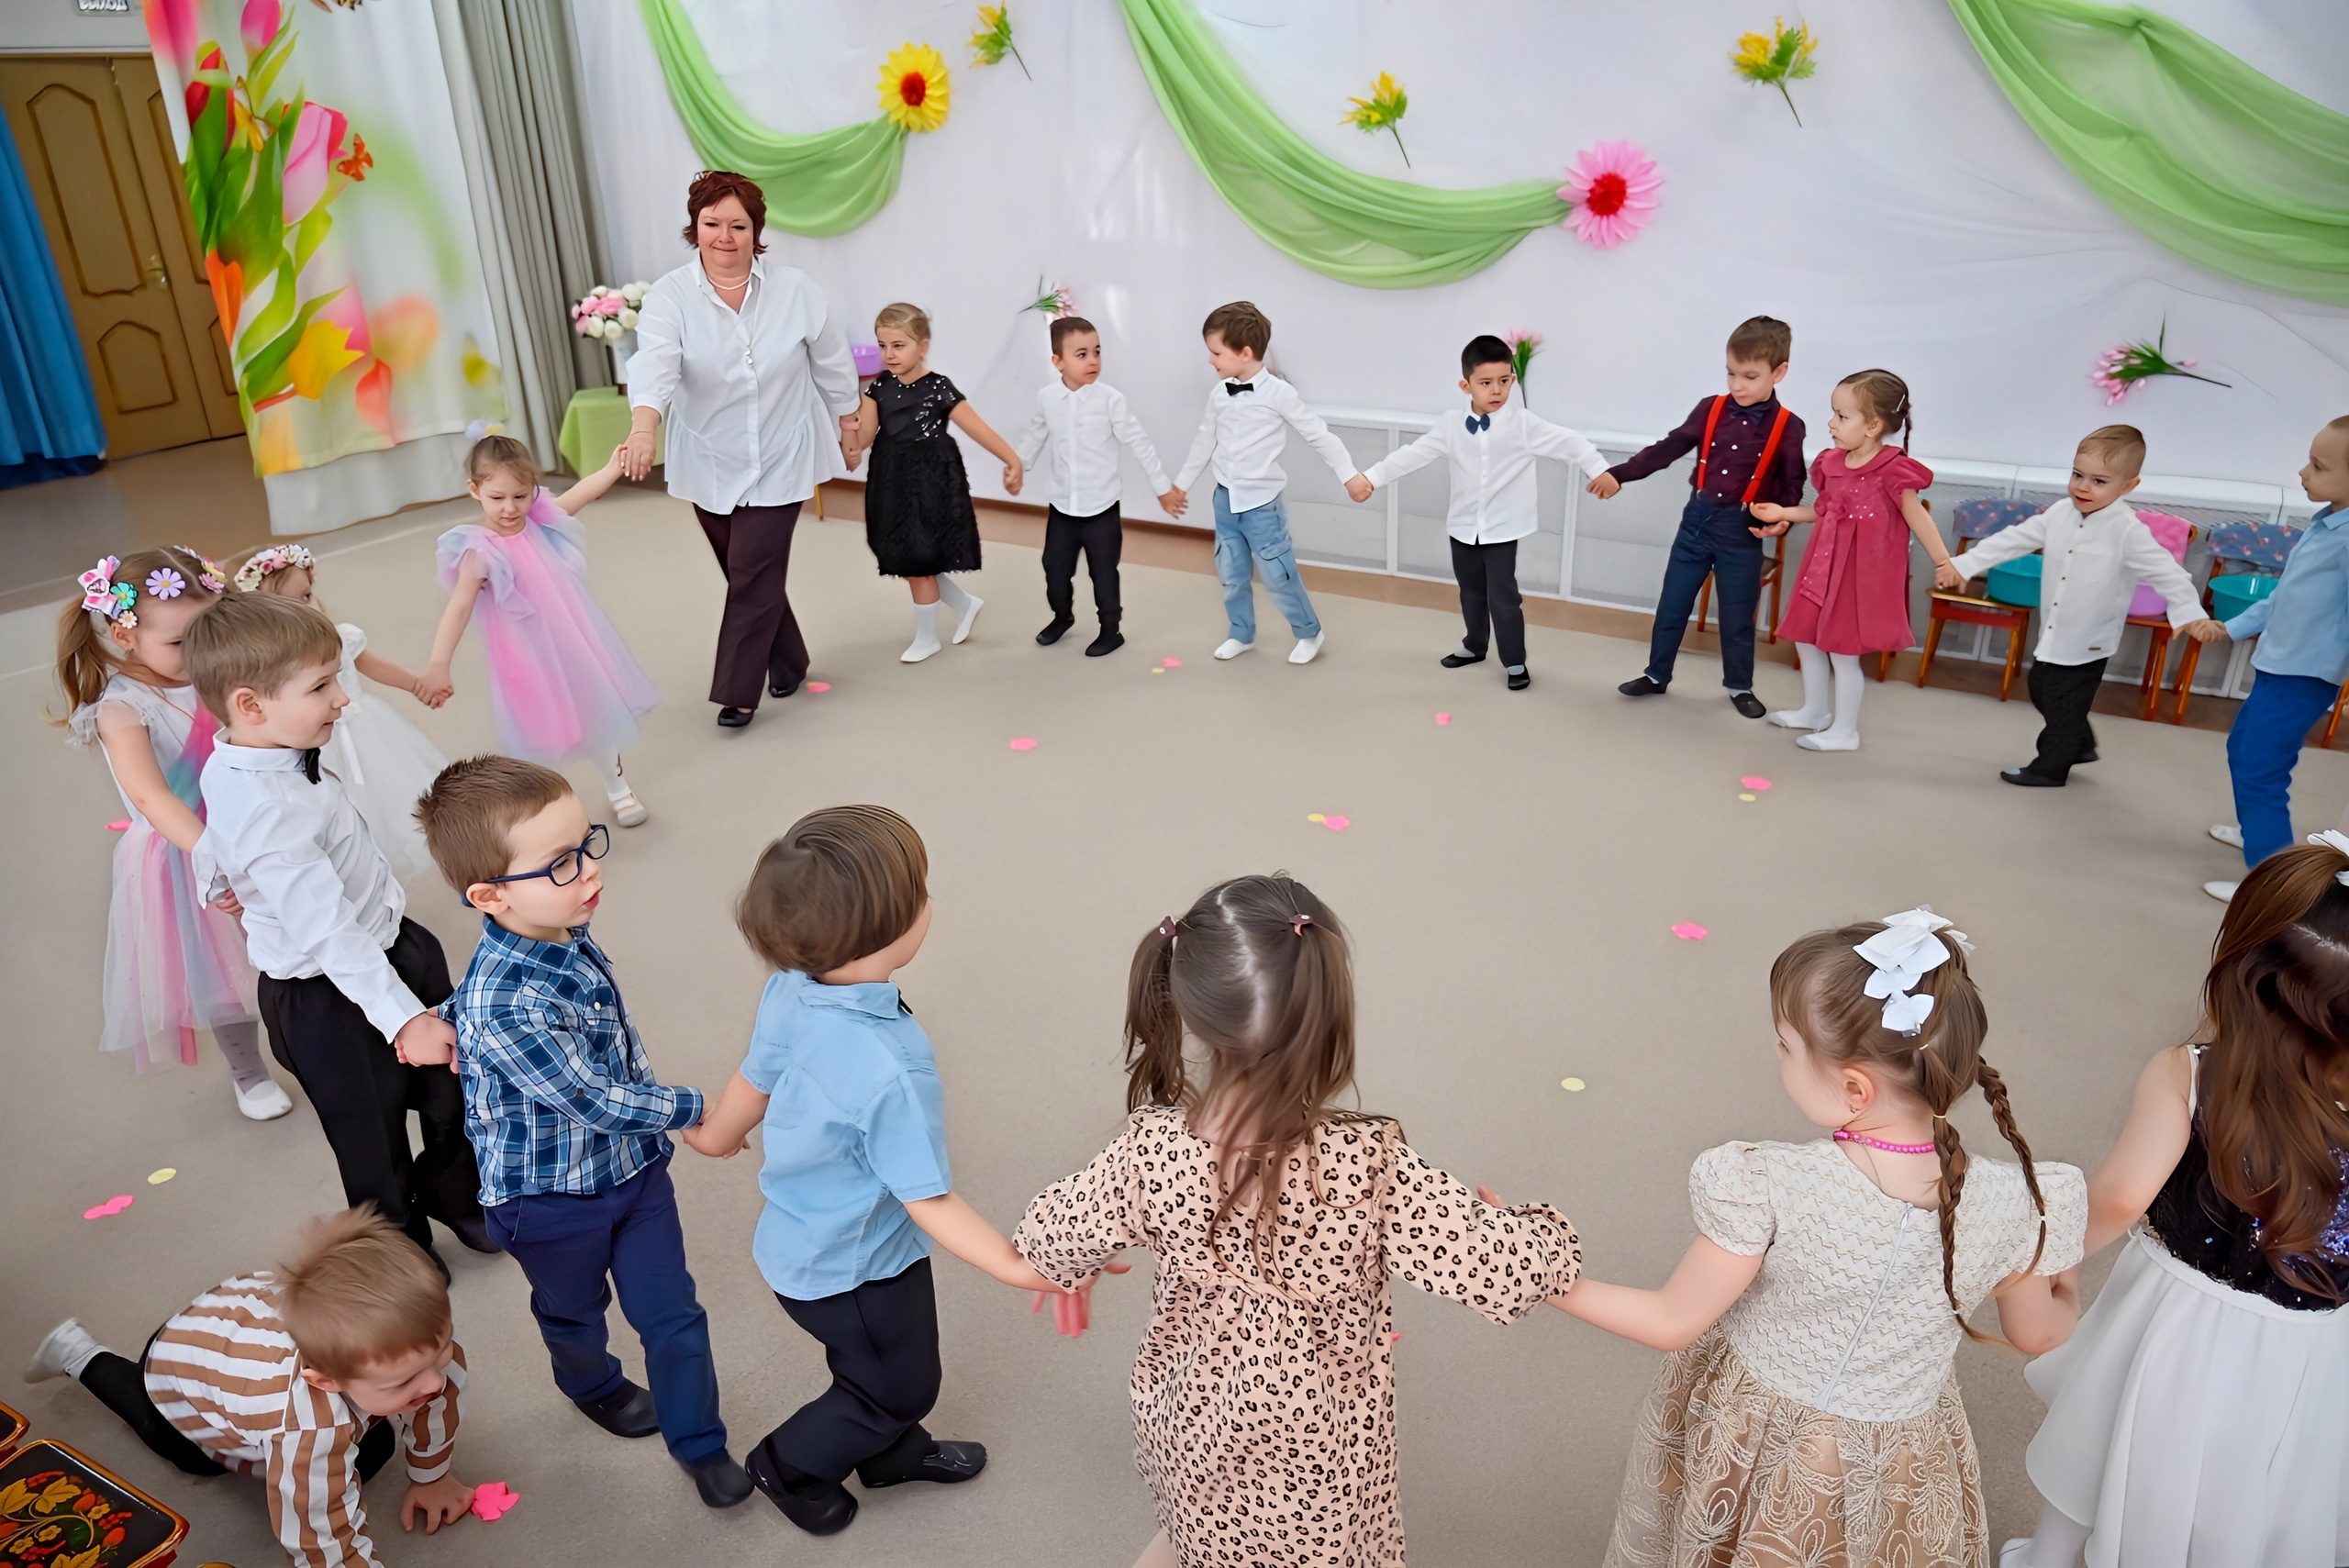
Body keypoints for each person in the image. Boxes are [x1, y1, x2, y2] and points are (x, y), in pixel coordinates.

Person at [1014, 875, 1584, 1568]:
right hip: (1314, 1466)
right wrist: (1535, 1228)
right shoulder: (1369, 1167)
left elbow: (1049, 1235)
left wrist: (1068, 1267)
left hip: (1189, 1424)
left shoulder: (1151, 1148)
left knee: (1198, 1538)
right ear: (1329, 1022)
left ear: (1192, 1011)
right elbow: (1511, 1271)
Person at [1555, 909, 2084, 1566]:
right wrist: (2063, 1269)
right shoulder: (2015, 1202)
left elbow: (1670, 1319)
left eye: (1785, 1043)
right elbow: (2044, 1333)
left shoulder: (1771, 1182)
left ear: (1855, 1087)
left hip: (1756, 1435)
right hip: (1900, 1459)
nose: (1775, 1053)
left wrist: (1550, 1278)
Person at [680, 806, 1071, 1537]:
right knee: (900, 1382)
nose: (930, 897)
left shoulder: (791, 985)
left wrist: (715, 1137)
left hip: (801, 1240)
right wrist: (1023, 1266)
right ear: (887, 932)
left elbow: (754, 1077)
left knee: (879, 1364)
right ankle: (789, 1464)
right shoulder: (889, 1069)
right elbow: (929, 1199)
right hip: (855, 1269)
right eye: (922, 889)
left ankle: (892, 1454)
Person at [415, 755, 751, 1508]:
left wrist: (440, 1014)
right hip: (546, 1199)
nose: (589, 871)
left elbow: (585, 1050)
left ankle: (700, 1441)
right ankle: (589, 1381)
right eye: (560, 862)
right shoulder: (504, 1002)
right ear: (488, 895)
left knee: (673, 1313)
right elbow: (592, 1098)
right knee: (573, 1309)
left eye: (585, 843)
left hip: (632, 1175)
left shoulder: (558, 925)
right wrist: (699, 1108)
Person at [2005, 840, 2349, 1568]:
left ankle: (2050, 1556)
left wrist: (2042, 1262)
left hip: (2174, 1326)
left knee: (2101, 1445)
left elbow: (2122, 1195)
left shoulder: (2190, 1074)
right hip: (2312, 1348)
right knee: (2259, 1487)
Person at [184, 594, 486, 1270]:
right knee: (370, 1133)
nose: (343, 698)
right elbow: (327, 934)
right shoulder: (266, 809)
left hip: (391, 944)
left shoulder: (247, 751)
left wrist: (216, 875)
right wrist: (403, 1020)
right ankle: (399, 1241)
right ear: (250, 706)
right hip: (330, 996)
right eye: (321, 686)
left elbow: (214, 815)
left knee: (451, 1092)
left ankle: (455, 1190)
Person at [25, 1207, 475, 1568]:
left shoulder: (416, 1352)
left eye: (439, 1351)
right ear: (326, 1381)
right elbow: (317, 1535)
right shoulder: (306, 1429)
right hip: (176, 1375)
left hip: (231, 1326)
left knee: (371, 1450)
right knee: (190, 1454)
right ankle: (79, 1354)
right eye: (405, 1380)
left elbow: (437, 1401)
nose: (435, 1379)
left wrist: (433, 1476)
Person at [52, 545, 286, 1118]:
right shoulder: (123, 708)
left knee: (298, 933)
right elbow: (152, 796)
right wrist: (216, 858)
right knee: (225, 972)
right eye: (180, 643)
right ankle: (247, 1070)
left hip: (258, 829)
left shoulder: (218, 672)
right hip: (191, 854)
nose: (198, 651)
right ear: (124, 635)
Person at [623, 169, 862, 730]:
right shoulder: (669, 296)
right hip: (709, 454)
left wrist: (848, 422)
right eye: (712, 224)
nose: (724, 237)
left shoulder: (797, 289)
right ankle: (790, 661)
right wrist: (642, 427)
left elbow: (831, 363)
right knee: (745, 571)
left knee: (754, 569)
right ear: (695, 227)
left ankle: (738, 691)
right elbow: (655, 366)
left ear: (757, 230)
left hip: (783, 447)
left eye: (738, 225)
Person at [1943, 426, 2223, 787]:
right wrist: (1963, 564)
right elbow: (2013, 541)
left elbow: (2168, 573)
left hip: (2091, 637)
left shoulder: (2127, 530)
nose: (2082, 487)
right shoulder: (2060, 513)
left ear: (2127, 487)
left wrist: (2190, 615)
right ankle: (2081, 743)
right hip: (2056, 630)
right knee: (2043, 687)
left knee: (2062, 699)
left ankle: (2050, 768)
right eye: (2077, 475)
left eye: (2099, 481)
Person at [419, 435, 658, 827]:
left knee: (593, 710)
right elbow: (460, 606)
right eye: (498, 498)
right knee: (538, 728)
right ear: (474, 490)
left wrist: (614, 467)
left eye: (521, 496)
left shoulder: (540, 522)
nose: (511, 508)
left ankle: (619, 790)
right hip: (523, 656)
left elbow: (579, 495)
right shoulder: (479, 550)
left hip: (570, 641)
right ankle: (545, 809)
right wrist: (438, 663)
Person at [1358, 334, 1609, 690]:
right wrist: (1370, 477)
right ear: (1466, 385)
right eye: (1486, 383)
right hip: (1462, 526)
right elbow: (1412, 455)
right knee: (1470, 592)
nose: (1496, 391)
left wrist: (1599, 469)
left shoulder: (1524, 424)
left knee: (1503, 598)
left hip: (1504, 529)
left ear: (1513, 379)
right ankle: (1474, 645)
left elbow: (1572, 443)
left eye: (1504, 381)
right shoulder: (1449, 425)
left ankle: (1515, 662)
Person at [1599, 317, 1808, 718]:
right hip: (1696, 521)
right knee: (1673, 605)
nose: (1737, 385)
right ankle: (1656, 676)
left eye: (1750, 376)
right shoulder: (1709, 409)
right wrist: (1619, 474)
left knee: (1737, 613)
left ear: (1779, 372)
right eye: (1731, 373)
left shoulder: (1789, 426)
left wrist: (1781, 519)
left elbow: (1791, 483)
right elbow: (1668, 448)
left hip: (1742, 531)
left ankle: (1739, 686)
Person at [1750, 370, 1962, 751]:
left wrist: (1944, 561)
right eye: (1833, 413)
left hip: (1858, 575)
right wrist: (1782, 512)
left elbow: (1918, 518)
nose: (1831, 423)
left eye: (1842, 416)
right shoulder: (1832, 463)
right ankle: (1815, 711)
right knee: (1807, 640)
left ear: (1873, 425)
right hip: (1822, 566)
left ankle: (1846, 731)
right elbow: (1823, 510)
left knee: (1843, 653)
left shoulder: (1893, 469)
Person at [1168, 301, 1372, 665]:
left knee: (1278, 574)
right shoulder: (1219, 394)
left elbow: (1318, 435)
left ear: (1244, 353)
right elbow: (1204, 441)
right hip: (1225, 500)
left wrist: (1350, 474)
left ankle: (1309, 631)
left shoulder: (1280, 394)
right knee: (1231, 575)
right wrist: (1180, 485)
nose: (1210, 360)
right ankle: (1241, 633)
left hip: (1261, 505)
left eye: (1216, 352)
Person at [2202, 416, 2349, 902]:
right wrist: (2232, 627)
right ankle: (2257, 832)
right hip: (2279, 665)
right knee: (2242, 749)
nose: (2304, 473)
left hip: (2305, 676)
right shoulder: (2325, 523)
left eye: (2318, 466)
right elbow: (2283, 595)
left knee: (2262, 768)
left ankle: (2269, 886)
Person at [237, 542, 447, 879]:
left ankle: (384, 857)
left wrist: (416, 684)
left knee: (385, 800)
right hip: (316, 741)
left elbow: (377, 667)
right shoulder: (271, 661)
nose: (304, 609)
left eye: (306, 596)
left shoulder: (340, 637)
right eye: (288, 606)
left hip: (365, 729)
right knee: (333, 807)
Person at [849, 303, 1021, 664]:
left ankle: (927, 638)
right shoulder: (878, 387)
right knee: (908, 552)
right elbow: (862, 440)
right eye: (882, 346)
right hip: (891, 478)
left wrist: (1012, 459)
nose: (889, 354)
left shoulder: (938, 387)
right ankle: (964, 603)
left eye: (899, 345)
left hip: (929, 481)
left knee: (918, 557)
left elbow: (977, 428)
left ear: (922, 346)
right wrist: (848, 425)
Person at [1013, 314, 1176, 657]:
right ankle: (1062, 616)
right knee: (1054, 570)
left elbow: (1140, 442)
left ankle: (1110, 630)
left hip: (1102, 508)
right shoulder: (1047, 398)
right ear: (1057, 361)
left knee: (1103, 574)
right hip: (1062, 508)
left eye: (1097, 352)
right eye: (1082, 354)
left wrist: (1162, 487)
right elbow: (1034, 436)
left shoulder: (1110, 400)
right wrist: (1017, 466)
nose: (1093, 361)